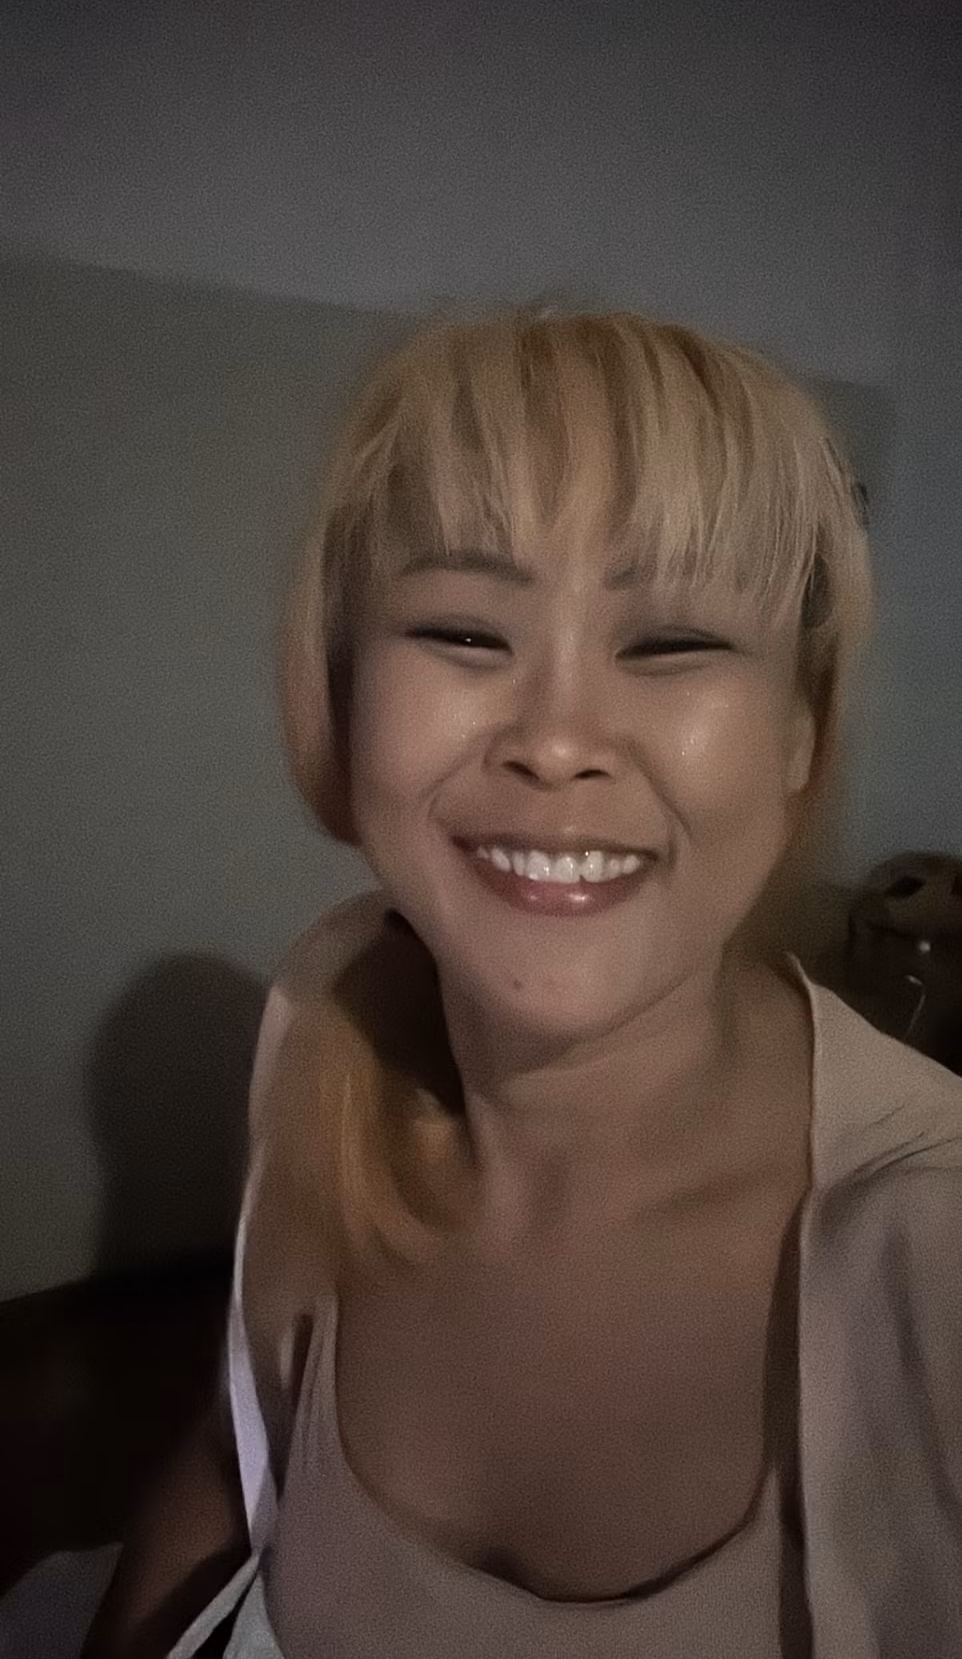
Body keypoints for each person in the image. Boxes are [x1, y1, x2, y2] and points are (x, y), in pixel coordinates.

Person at [85, 310, 962, 1658]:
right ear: (342, 692)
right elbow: (234, 1451)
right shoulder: (333, 1013)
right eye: (460, 630)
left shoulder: (928, 1246)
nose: (557, 741)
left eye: (671, 643)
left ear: (801, 730)